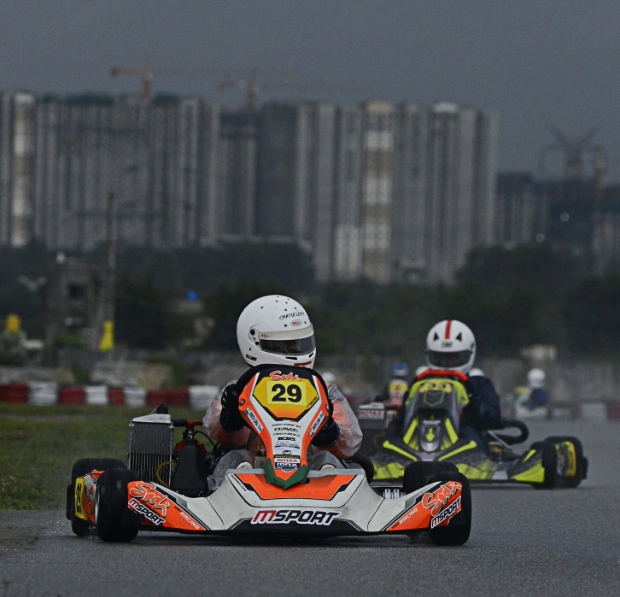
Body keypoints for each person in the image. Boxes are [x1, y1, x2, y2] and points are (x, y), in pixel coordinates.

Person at [203, 295, 362, 490]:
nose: (296, 351)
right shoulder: (240, 391)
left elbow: (349, 442)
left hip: (310, 472)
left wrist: (328, 430)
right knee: (234, 458)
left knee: (327, 459)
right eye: (286, 345)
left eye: (300, 343)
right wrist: (232, 416)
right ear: (254, 342)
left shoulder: (324, 392)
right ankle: (229, 491)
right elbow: (215, 429)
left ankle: (327, 483)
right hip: (254, 472)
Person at [385, 319, 501, 451]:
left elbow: (494, 418)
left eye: (453, 358)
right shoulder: (420, 383)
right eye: (441, 358)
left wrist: (474, 404)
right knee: (389, 440)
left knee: (479, 444)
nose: (447, 364)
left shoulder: (478, 384)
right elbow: (403, 417)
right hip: (417, 435)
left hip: (464, 439)